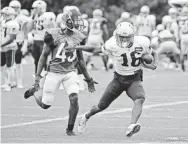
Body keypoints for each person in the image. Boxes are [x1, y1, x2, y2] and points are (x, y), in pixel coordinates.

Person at [66, 22, 158, 137]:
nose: (124, 39)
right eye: (122, 37)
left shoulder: (142, 42)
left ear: (133, 36)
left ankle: (131, 126)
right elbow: (95, 49)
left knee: (140, 99)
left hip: (134, 79)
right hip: (118, 80)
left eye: (127, 37)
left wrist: (154, 64)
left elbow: (153, 53)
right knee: (101, 106)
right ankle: (86, 116)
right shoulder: (112, 44)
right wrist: (76, 47)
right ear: (117, 35)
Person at [24, 8, 97, 136]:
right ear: (67, 20)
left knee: (74, 98)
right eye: (75, 20)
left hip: (70, 73)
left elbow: (80, 60)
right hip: (54, 73)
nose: (78, 23)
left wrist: (88, 78)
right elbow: (43, 56)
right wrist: (37, 77)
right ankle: (34, 91)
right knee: (45, 105)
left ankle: (69, 129)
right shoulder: (53, 34)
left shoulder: (79, 37)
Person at [9, 0, 33, 88]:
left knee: (18, 64)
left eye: (16, 7)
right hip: (8, 43)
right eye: (12, 7)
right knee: (7, 65)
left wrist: (25, 44)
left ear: (19, 8)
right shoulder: (5, 17)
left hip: (18, 42)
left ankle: (19, 82)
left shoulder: (23, 18)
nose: (14, 9)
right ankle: (10, 81)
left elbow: (26, 32)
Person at [1, 7, 20, 91]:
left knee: (10, 66)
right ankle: (6, 82)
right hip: (3, 46)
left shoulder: (13, 24)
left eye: (6, 14)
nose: (4, 15)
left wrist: (2, 44)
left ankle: (9, 84)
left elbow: (12, 38)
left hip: (10, 47)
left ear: (11, 15)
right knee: (1, 66)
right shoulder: (3, 21)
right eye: (3, 14)